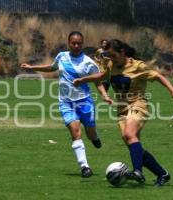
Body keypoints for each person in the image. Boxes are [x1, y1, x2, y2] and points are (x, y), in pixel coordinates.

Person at [73, 39, 173, 186]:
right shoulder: (112, 65)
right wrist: (83, 80)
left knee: (129, 135)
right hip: (122, 110)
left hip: (138, 105)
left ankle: (138, 172)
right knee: (134, 146)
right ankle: (162, 174)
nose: (111, 58)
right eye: (109, 56)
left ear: (122, 52)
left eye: (113, 55)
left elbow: (157, 76)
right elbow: (101, 76)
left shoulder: (138, 66)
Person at [20, 31, 113, 178]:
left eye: (79, 43)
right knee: (76, 132)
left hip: (85, 102)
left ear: (82, 44)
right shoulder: (62, 56)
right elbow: (52, 67)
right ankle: (84, 166)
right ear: (69, 43)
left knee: (90, 133)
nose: (76, 46)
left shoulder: (88, 62)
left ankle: (95, 137)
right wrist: (33, 68)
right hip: (66, 103)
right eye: (73, 43)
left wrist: (105, 95)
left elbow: (97, 80)